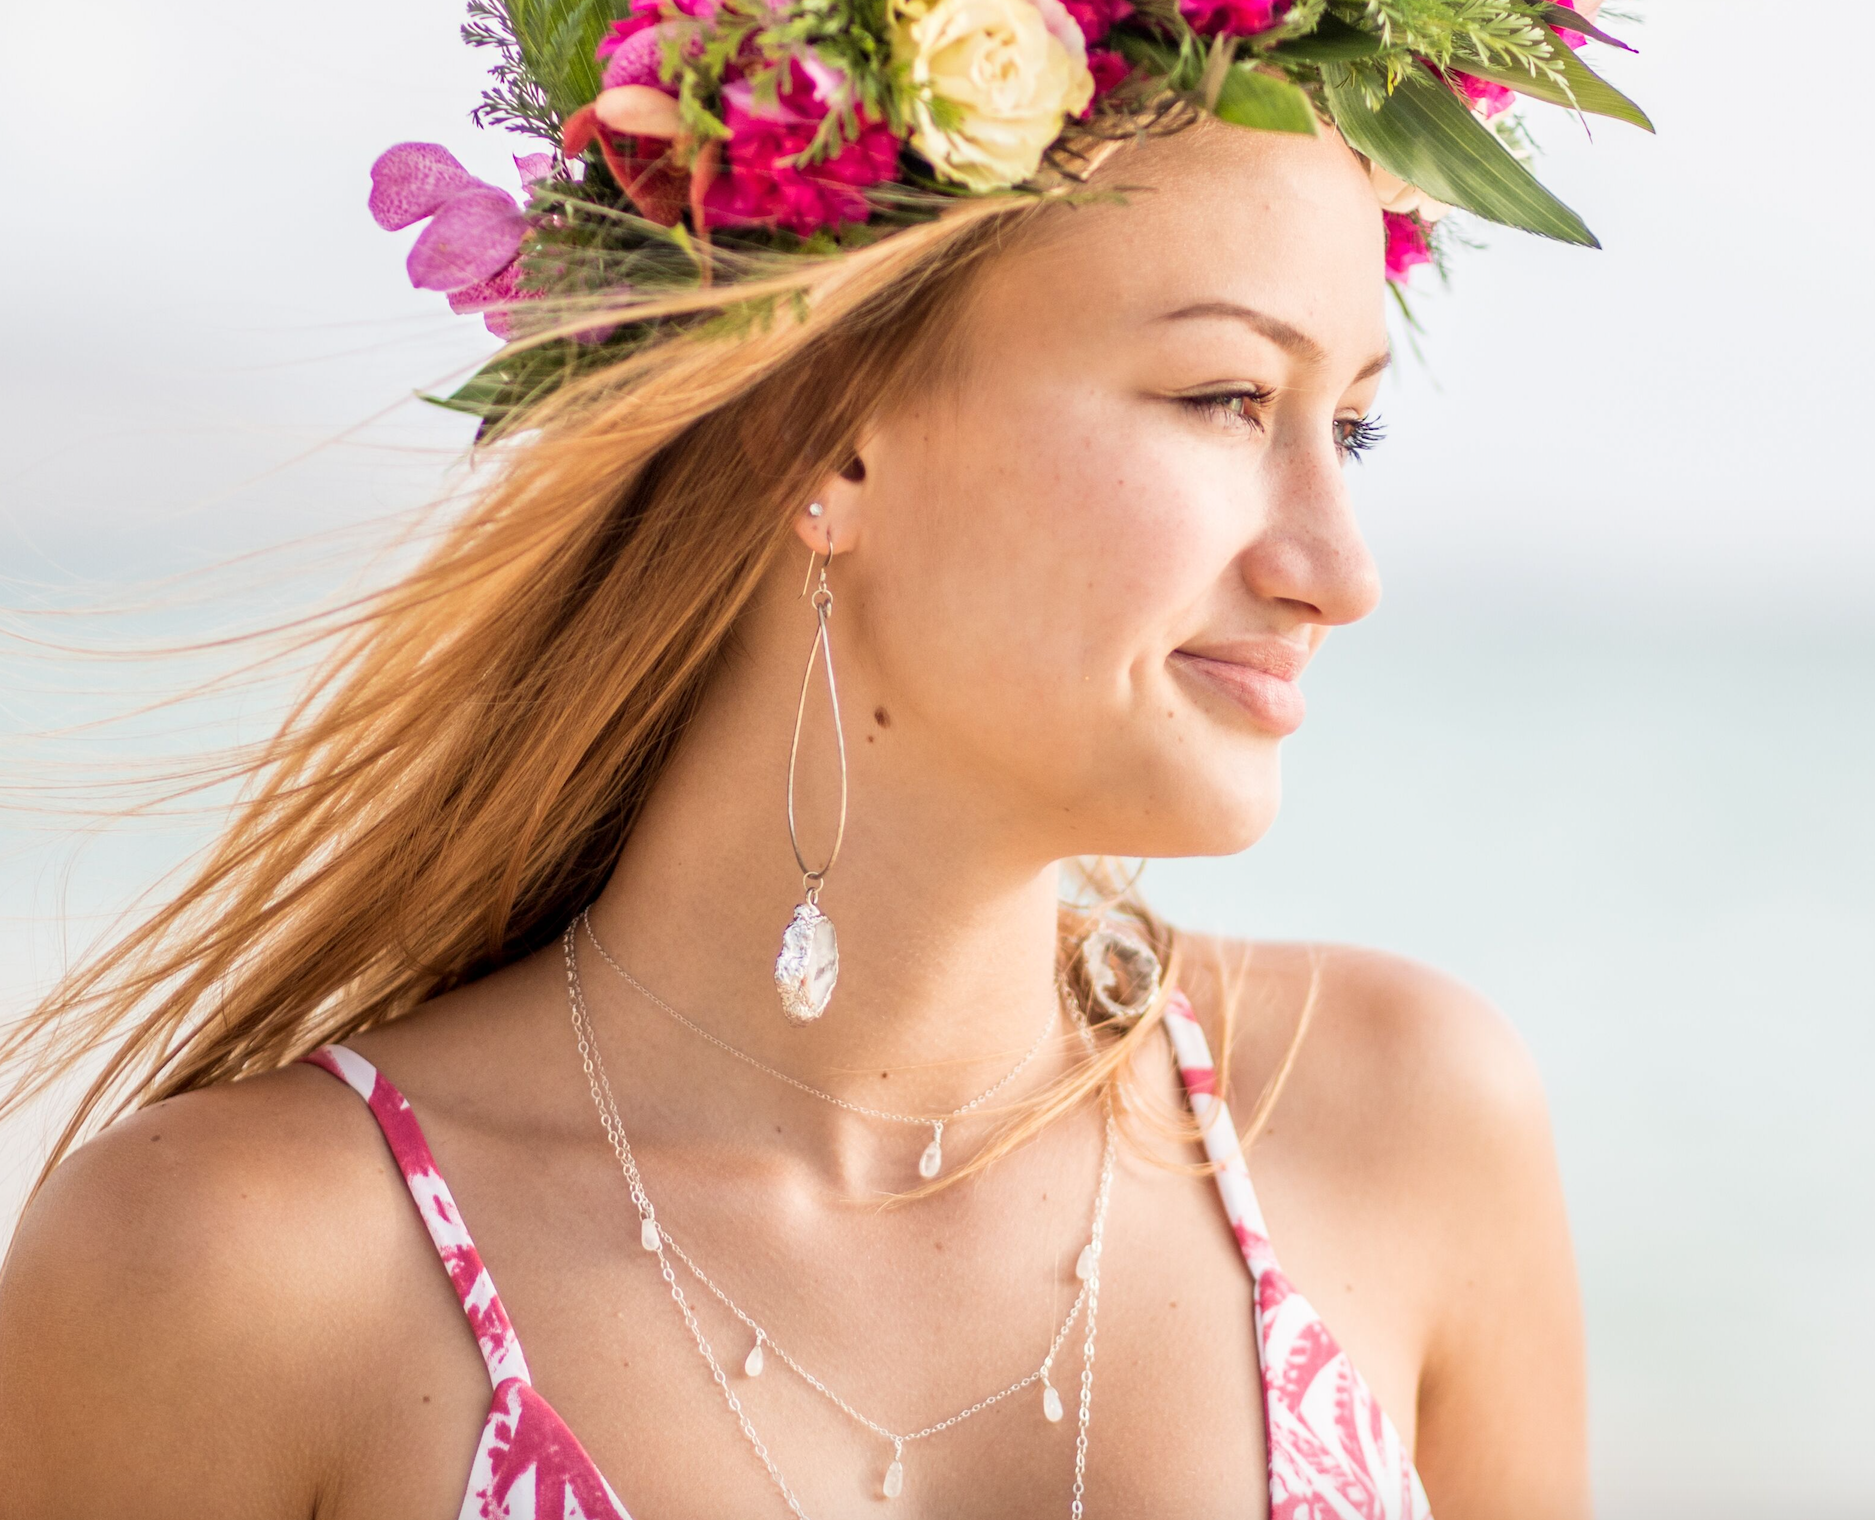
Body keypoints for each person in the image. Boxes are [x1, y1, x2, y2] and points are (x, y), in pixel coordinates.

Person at [0, 0, 1640, 1512]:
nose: (1339, 572)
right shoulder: (230, 1274)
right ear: (823, 436)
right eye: (1223, 397)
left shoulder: (1401, 1130)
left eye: (1346, 425)